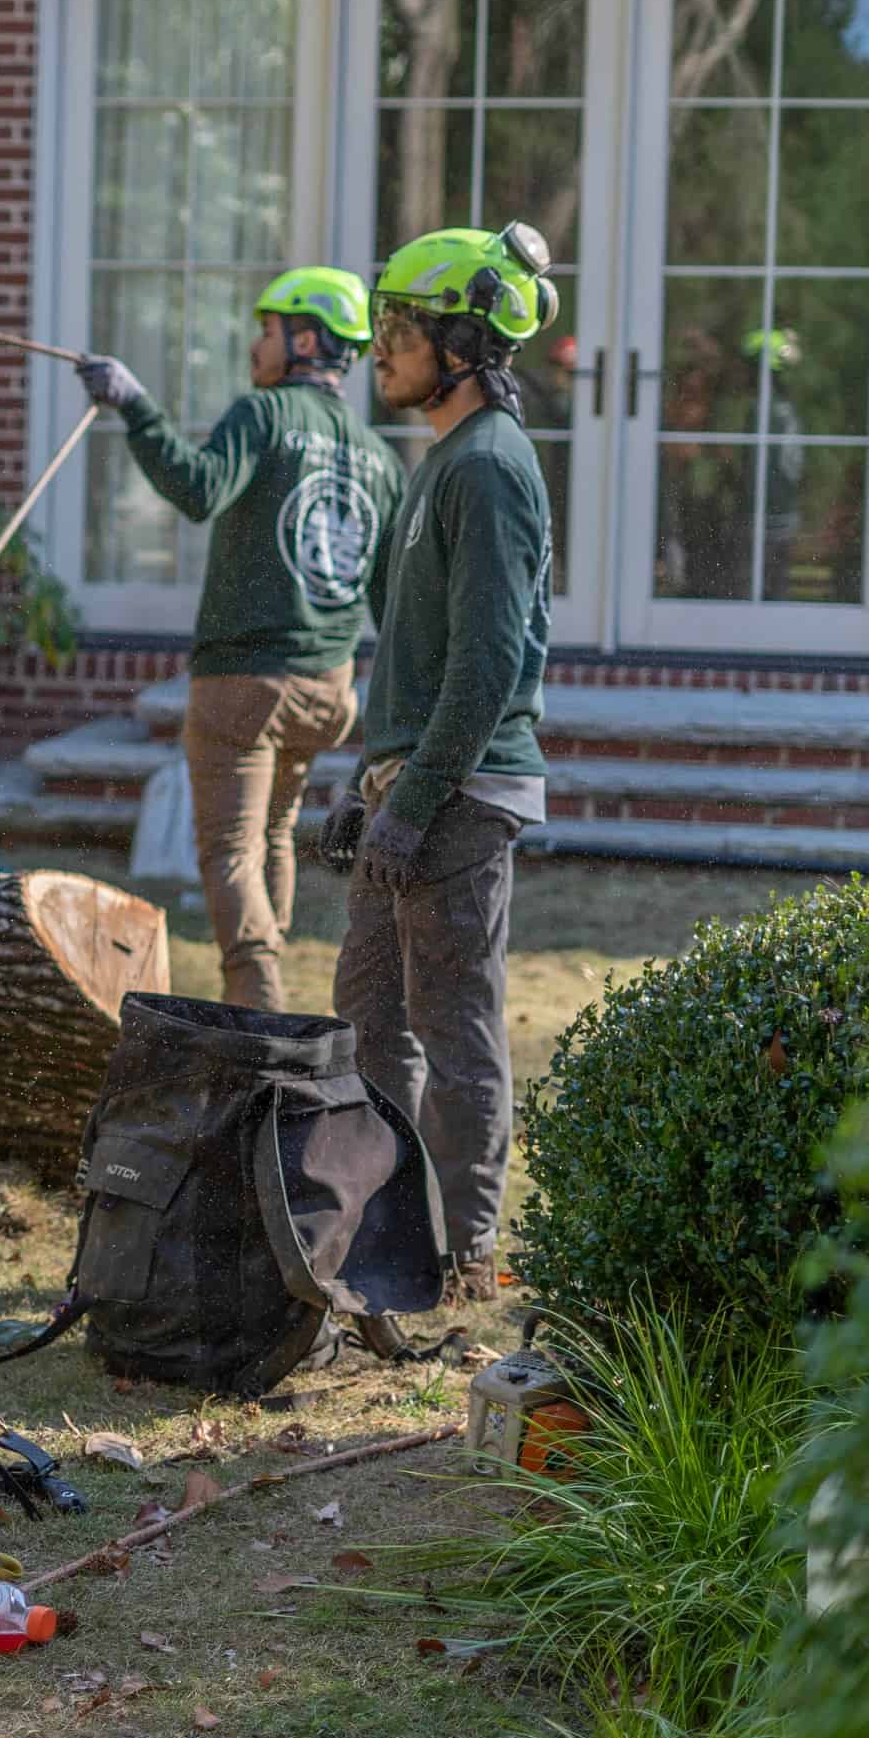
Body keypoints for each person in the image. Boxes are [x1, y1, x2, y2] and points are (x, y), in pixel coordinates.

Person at [321, 222, 559, 1306]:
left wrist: (413, 801)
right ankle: (386, 1236)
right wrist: (364, 784)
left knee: (452, 1026)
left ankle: (467, 1256)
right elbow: (414, 659)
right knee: (369, 1018)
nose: (379, 347)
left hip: (462, 795)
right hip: (414, 786)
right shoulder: (443, 461)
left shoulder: (492, 468)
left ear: (462, 344)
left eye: (400, 329)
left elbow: (487, 663)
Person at [75, 270, 405, 1013]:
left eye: (267, 330)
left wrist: (134, 406)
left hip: (244, 683)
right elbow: (388, 599)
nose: (255, 346)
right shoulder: (380, 457)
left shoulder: (263, 414)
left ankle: (256, 1007)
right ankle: (267, 987)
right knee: (274, 833)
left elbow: (198, 489)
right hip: (328, 688)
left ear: (306, 340)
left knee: (229, 848)